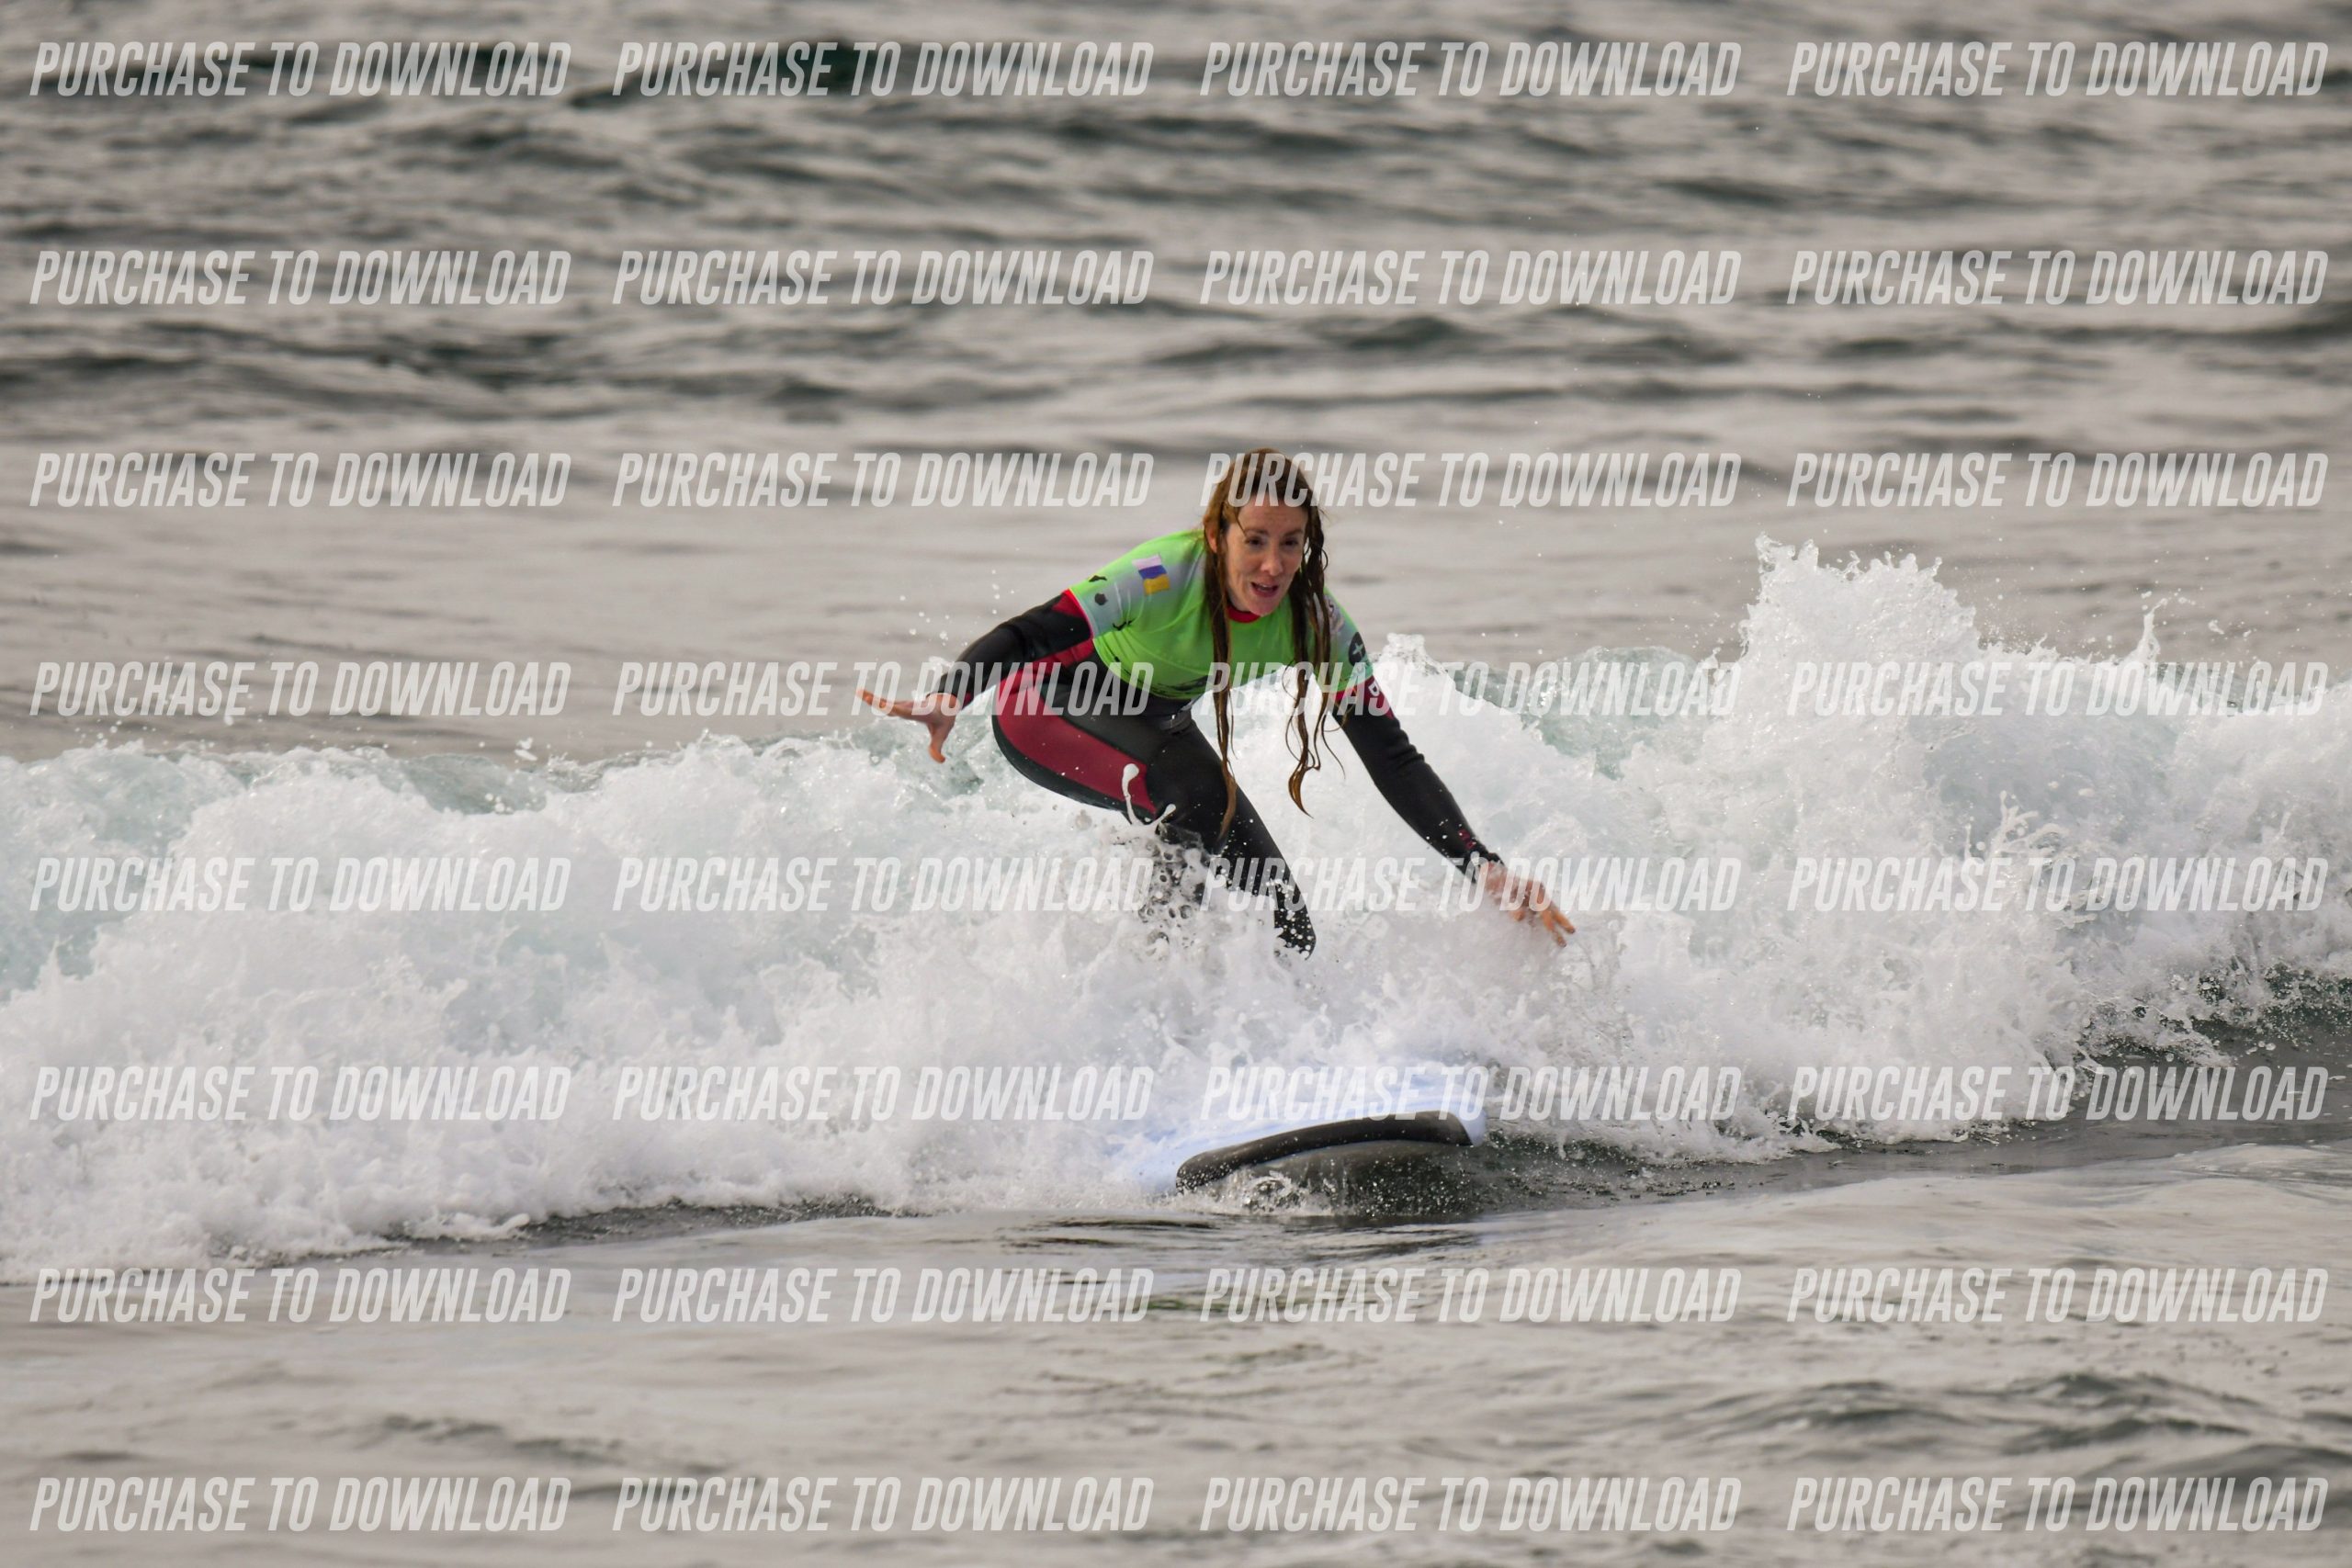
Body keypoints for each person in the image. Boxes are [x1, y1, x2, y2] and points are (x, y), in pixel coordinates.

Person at [862, 447, 1572, 954]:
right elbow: (1032, 631)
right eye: (1254, 540)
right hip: (1044, 708)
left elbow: (1392, 755)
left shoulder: (1316, 624)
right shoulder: (1161, 575)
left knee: (1286, 921)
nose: (1272, 564)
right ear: (1216, 534)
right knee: (1193, 793)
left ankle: (1238, 1050)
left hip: (1155, 731)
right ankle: (1158, 996)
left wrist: (1483, 864)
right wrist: (951, 692)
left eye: (1290, 543)